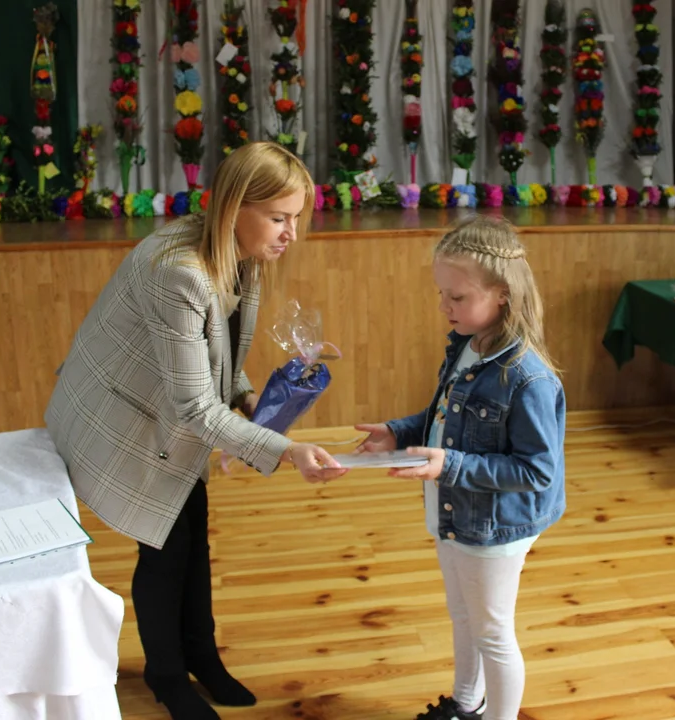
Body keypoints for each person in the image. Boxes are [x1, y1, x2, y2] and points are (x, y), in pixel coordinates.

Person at [45, 142, 345, 720]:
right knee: (164, 547)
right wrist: (286, 450)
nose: (292, 235)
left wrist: (251, 396)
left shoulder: (238, 253)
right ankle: (165, 675)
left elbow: (216, 353)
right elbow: (191, 408)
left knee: (192, 538)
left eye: (297, 219)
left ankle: (201, 657)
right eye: (280, 218)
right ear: (235, 207)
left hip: (165, 409)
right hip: (124, 417)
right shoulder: (177, 273)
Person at [353, 216, 566, 720]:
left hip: (493, 526)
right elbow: (446, 418)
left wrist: (451, 465)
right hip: (455, 512)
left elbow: (537, 472)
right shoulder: (467, 344)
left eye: (457, 297)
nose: (444, 307)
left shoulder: (528, 378)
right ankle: (466, 705)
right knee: (463, 617)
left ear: (503, 295)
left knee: (493, 632)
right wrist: (399, 431)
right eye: (441, 294)